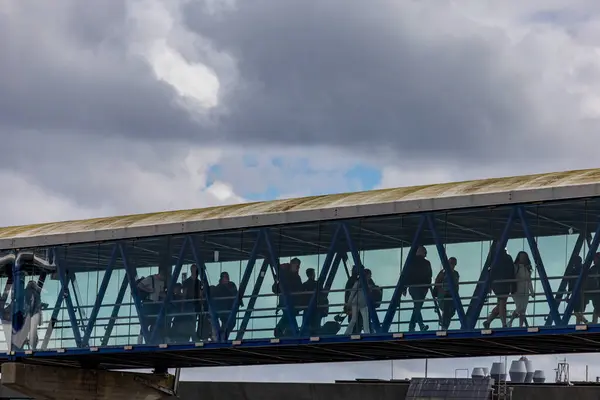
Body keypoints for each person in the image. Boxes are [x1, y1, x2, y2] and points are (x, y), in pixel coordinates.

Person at [483, 246, 514, 329]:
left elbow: (489, 270)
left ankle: (488, 321)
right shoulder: (506, 257)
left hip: (499, 282)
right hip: (502, 283)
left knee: (501, 303)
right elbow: (511, 270)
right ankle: (504, 324)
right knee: (502, 303)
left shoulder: (494, 257)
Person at [403, 246, 432, 332]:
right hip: (422, 288)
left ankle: (413, 326)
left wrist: (404, 288)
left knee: (417, 307)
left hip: (413, 287)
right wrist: (427, 286)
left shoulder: (411, 262)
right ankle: (418, 325)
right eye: (425, 252)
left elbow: (406, 275)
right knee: (417, 307)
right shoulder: (426, 263)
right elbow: (429, 275)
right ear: (423, 253)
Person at [272, 258, 303, 337]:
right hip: (288, 300)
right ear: (292, 264)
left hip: (289, 301)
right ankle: (293, 332)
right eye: (297, 266)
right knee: (289, 315)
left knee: (288, 316)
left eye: (298, 266)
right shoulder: (286, 275)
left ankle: (281, 330)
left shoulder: (293, 276)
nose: (298, 268)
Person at [508, 251, 534, 327]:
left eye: (524, 257)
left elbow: (529, 281)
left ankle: (520, 325)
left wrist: (531, 291)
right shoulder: (515, 266)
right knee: (519, 307)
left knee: (523, 310)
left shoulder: (527, 268)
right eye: (522, 256)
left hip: (525, 291)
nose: (523, 258)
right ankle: (511, 321)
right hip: (517, 290)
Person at [433, 257, 459, 330]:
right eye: (451, 263)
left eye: (453, 264)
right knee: (447, 310)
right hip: (444, 294)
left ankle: (444, 324)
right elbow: (437, 282)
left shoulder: (456, 273)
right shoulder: (443, 272)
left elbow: (457, 285)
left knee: (451, 311)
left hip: (452, 295)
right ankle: (444, 326)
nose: (452, 265)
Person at [212, 272, 240, 339]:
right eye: (225, 277)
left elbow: (235, 294)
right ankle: (222, 337)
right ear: (221, 278)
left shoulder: (231, 285)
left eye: (227, 277)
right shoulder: (219, 287)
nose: (227, 278)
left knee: (231, 324)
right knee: (226, 324)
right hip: (224, 310)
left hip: (230, 309)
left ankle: (222, 337)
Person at [344, 267, 372, 335]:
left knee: (354, 320)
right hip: (362, 303)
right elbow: (352, 293)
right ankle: (367, 333)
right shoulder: (365, 284)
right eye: (369, 275)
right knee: (364, 320)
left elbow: (352, 294)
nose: (370, 277)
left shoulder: (358, 282)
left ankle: (347, 333)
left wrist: (348, 304)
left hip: (357, 302)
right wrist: (348, 304)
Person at [565, 255, 587, 324]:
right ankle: (578, 325)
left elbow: (570, 285)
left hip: (576, 293)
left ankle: (585, 321)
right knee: (579, 311)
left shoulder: (574, 271)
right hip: (583, 292)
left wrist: (568, 295)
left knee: (576, 311)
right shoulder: (583, 269)